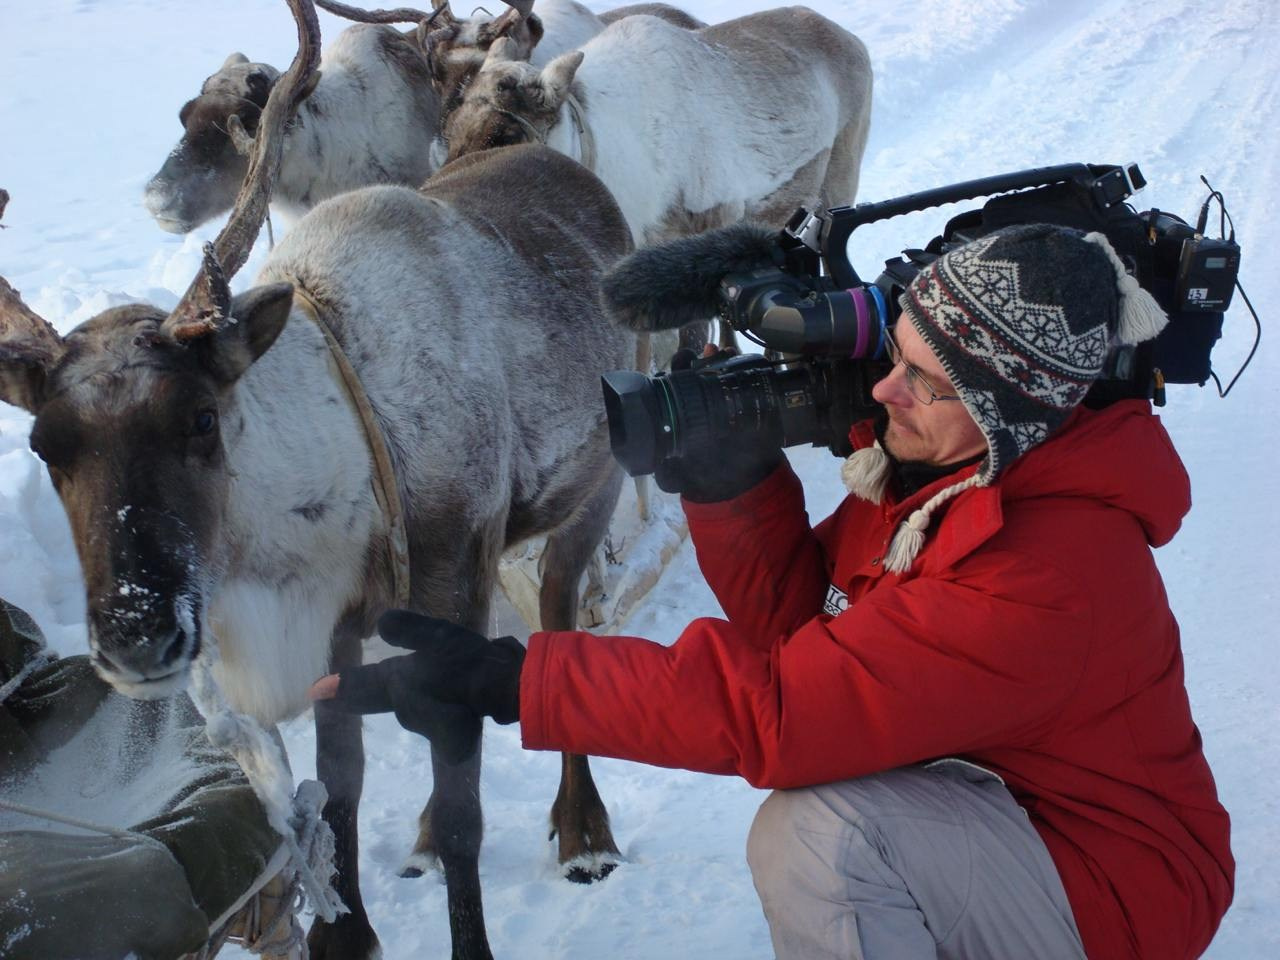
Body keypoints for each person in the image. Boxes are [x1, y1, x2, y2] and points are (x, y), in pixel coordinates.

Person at [310, 223, 1234, 959]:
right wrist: (733, 483)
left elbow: (785, 709)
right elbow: (805, 631)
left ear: (1007, 411)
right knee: (838, 812)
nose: (884, 391)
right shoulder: (947, 480)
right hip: (995, 806)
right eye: (896, 356)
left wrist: (514, 680)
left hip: (1109, 887)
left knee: (823, 835)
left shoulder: (1050, 573)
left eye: (923, 381)